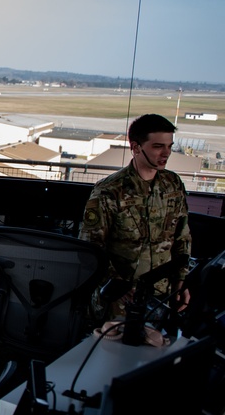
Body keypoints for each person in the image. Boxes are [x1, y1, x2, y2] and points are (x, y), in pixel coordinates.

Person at [79, 113, 191, 324]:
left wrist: (180, 281)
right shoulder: (109, 191)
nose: (166, 153)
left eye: (169, 146)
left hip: (160, 297)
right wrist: (117, 286)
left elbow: (182, 237)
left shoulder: (173, 184)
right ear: (136, 147)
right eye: (158, 146)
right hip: (118, 301)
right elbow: (90, 248)